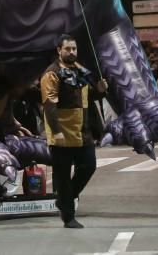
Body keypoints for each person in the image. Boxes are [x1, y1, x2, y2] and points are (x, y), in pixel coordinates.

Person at [41, 34, 106, 229]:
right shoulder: (51, 74)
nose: (71, 52)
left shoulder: (80, 70)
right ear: (59, 50)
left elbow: (86, 97)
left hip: (82, 130)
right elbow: (49, 106)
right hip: (62, 132)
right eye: (68, 49)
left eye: (74, 49)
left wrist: (100, 90)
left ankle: (64, 199)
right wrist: (56, 131)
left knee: (89, 165)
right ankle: (68, 215)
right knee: (61, 175)